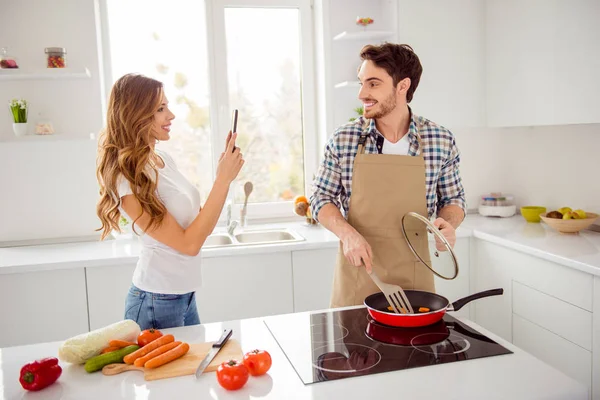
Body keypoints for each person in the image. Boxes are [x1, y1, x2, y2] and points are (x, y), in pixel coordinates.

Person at [310, 43, 466, 308]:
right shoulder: (344, 139)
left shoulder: (440, 140)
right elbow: (320, 198)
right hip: (358, 271)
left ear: (402, 86)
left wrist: (448, 224)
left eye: (373, 84)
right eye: (361, 83)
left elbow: (454, 199)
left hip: (415, 276)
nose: (362, 94)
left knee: (415, 349)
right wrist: (347, 234)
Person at [95, 73, 244, 330]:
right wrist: (223, 180)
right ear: (136, 115)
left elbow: (199, 224)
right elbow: (189, 244)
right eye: (161, 109)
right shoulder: (127, 178)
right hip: (155, 302)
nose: (171, 115)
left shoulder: (162, 159)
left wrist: (224, 176)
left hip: (184, 296)